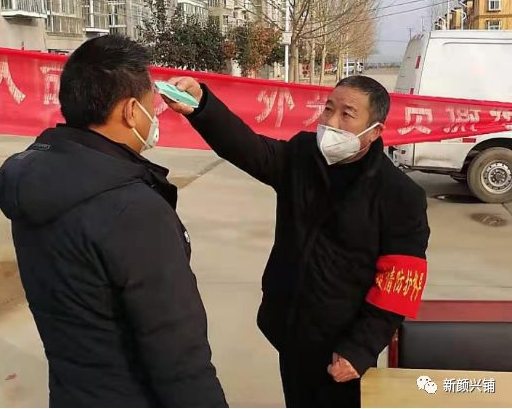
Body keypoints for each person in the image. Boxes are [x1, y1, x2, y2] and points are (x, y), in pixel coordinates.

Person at [163, 75, 430, 407]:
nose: (331, 122)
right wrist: (202, 106)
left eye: (347, 114)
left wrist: (361, 348)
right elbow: (248, 148)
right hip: (290, 328)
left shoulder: (400, 195)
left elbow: (400, 281)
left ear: (375, 131)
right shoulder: (303, 156)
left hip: (342, 346)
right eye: (328, 109)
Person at [0, 35, 227, 408]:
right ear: (131, 111)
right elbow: (180, 359)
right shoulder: (133, 211)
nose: (155, 117)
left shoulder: (36, 179)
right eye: (152, 106)